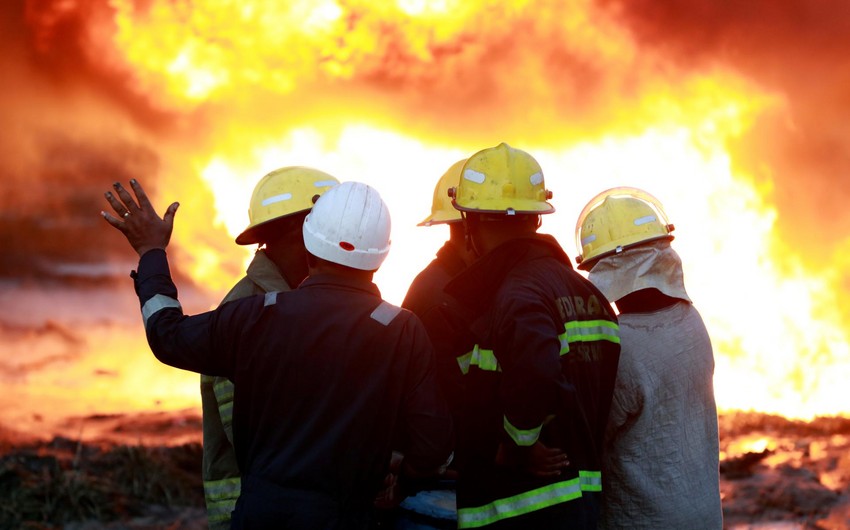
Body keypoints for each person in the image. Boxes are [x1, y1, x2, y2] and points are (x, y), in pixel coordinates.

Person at [101, 179, 453, 529]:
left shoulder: (254, 316)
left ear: (309, 245)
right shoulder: (402, 330)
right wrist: (398, 473)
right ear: (380, 258)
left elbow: (166, 335)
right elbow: (432, 447)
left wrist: (151, 253)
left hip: (260, 517)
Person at [441, 143, 621, 528]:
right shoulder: (587, 294)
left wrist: (518, 445)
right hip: (580, 502)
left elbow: (537, 372)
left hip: (525, 508)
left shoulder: (516, 294)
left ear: (472, 223)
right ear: (536, 219)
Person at [573, 187, 722, 529]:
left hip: (644, 520)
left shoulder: (621, 344)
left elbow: (595, 436)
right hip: (705, 514)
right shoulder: (691, 321)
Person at [200, 166, 339, 528]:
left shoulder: (308, 301)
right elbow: (255, 438)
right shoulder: (244, 314)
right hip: (255, 512)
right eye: (330, 225)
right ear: (300, 229)